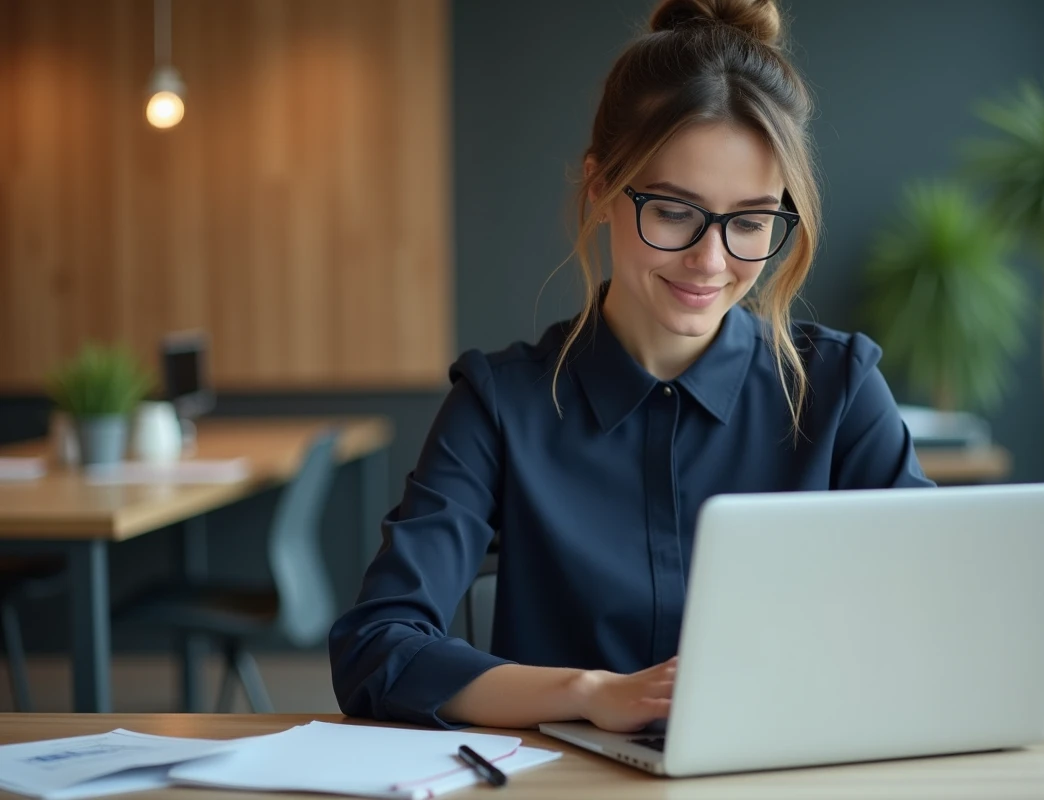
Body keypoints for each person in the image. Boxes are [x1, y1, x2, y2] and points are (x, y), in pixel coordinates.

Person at [329, 0, 934, 734]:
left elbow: (935, 614)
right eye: (675, 212)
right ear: (601, 188)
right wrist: (589, 694)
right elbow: (376, 646)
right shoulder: (500, 404)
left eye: (749, 222)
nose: (711, 262)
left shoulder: (838, 390)